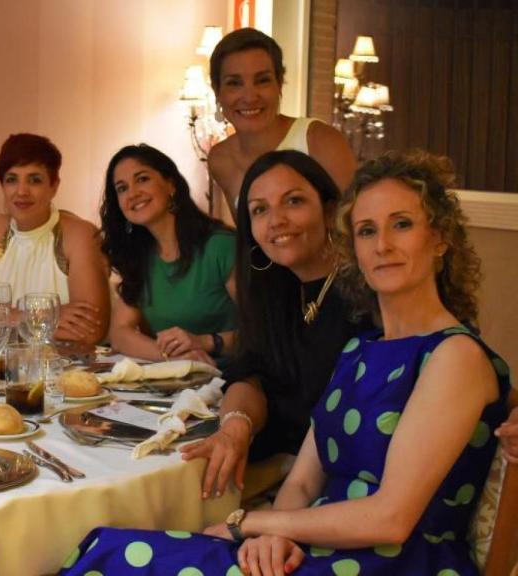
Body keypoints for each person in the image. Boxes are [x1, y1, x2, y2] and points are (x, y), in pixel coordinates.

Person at [61, 150, 509, 576]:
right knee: (106, 547)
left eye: (403, 224)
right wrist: (271, 535)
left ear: (441, 240)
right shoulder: (362, 348)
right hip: (321, 542)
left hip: (398, 561)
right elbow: (301, 482)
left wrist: (255, 524)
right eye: (367, 230)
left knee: (117, 559)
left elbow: (390, 519)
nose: (383, 245)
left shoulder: (453, 356)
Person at [182, 150, 370, 501]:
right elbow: (251, 371)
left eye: (293, 201)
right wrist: (236, 423)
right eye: (260, 210)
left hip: (345, 488)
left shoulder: (367, 294)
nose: (276, 220)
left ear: (330, 212)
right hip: (289, 480)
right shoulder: (275, 290)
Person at [0, 133, 109, 345]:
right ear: (2, 186)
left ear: (54, 186)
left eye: (34, 180)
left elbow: (90, 330)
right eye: (12, 179)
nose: (21, 191)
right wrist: (26, 317)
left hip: (62, 372)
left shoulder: (80, 235)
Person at [101, 144, 236, 365]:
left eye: (142, 179)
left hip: (233, 380)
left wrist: (206, 342)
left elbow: (266, 332)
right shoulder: (140, 255)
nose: (133, 193)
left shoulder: (221, 246)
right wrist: (171, 356)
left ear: (170, 184)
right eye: (122, 188)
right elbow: (119, 334)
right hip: (176, 381)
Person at [207, 28, 356, 216]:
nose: (250, 97)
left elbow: (356, 228)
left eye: (262, 80)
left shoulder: (320, 141)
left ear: (279, 84)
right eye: (234, 83)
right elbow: (248, 239)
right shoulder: (221, 160)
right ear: (217, 91)